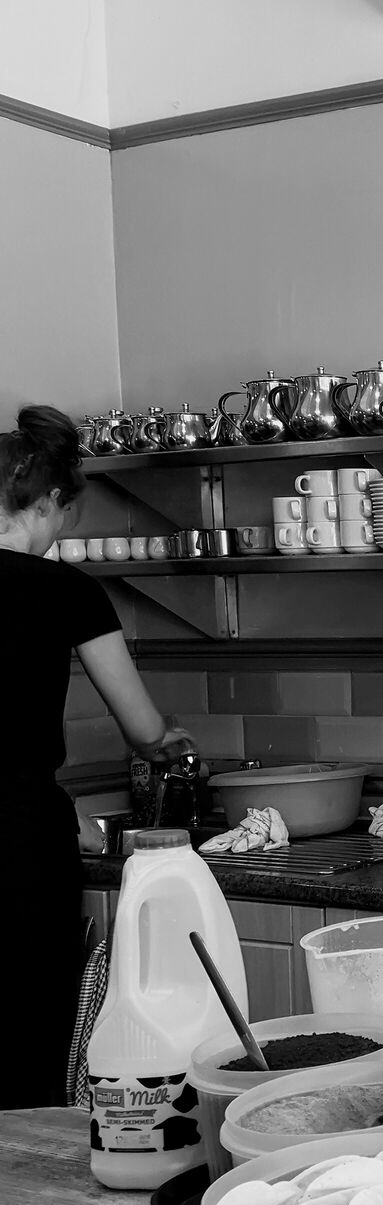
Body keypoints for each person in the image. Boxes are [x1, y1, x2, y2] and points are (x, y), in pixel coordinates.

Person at [0, 405, 190, 1108]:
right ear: (48, 502)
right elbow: (142, 728)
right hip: (16, 843)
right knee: (25, 1043)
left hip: (28, 814)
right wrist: (170, 743)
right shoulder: (67, 591)